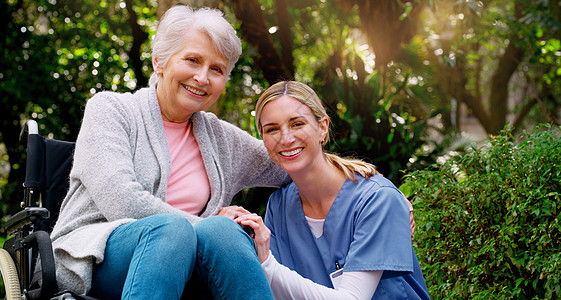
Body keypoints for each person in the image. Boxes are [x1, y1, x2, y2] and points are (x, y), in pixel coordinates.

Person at [49, 5, 289, 299]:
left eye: (217, 69)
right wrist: (205, 224)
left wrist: (355, 178)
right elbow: (123, 202)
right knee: (174, 230)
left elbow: (290, 160)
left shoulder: (221, 137)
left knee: (225, 233)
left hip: (190, 264)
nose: (203, 77)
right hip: (96, 258)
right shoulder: (111, 110)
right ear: (159, 62)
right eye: (192, 60)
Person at [235, 81, 430, 299]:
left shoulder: (377, 199)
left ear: (323, 127)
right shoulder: (279, 208)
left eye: (297, 124)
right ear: (262, 138)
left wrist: (266, 263)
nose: (286, 138)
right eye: (272, 129)